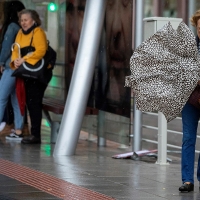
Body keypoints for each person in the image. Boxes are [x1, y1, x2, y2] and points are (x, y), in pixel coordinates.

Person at [10, 9, 50, 144]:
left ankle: (36, 135)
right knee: (29, 101)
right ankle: (34, 134)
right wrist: (15, 60)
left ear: (33, 20)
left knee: (34, 102)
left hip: (38, 73)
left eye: (26, 20)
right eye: (21, 20)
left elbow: (41, 50)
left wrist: (24, 59)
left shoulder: (38, 32)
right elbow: (15, 49)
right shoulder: (20, 33)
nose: (23, 23)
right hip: (27, 72)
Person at [179, 9, 200, 192]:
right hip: (190, 100)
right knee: (188, 138)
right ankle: (187, 180)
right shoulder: (189, 47)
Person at [0, 1, 25, 140]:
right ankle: (19, 129)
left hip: (11, 67)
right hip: (20, 68)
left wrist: (1, 61)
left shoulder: (12, 27)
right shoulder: (21, 27)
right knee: (17, 99)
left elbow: (6, 47)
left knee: (1, 97)